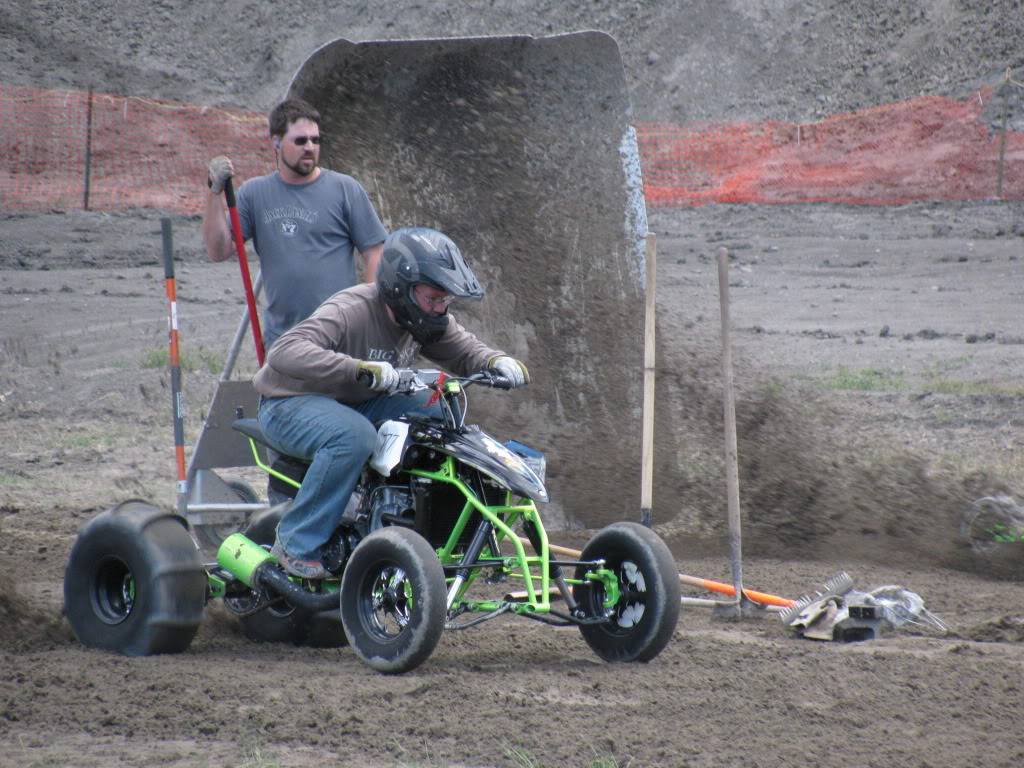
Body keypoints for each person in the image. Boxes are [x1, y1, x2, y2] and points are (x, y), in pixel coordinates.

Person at [252, 227, 531, 579]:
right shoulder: (351, 309)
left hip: (355, 404)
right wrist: (359, 369)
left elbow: (465, 350)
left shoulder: (427, 320)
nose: (439, 308)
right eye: (433, 299)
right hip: (290, 403)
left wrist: (495, 361)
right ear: (401, 288)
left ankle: (401, 522)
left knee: (438, 409)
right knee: (353, 437)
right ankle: (296, 544)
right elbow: (284, 352)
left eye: (446, 301)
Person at [201, 97, 387, 351]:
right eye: (300, 140)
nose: (310, 147)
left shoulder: (345, 189)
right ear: (276, 143)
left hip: (340, 336)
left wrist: (368, 311)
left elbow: (375, 252)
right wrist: (214, 193)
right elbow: (218, 250)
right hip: (284, 340)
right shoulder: (255, 193)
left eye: (315, 140)